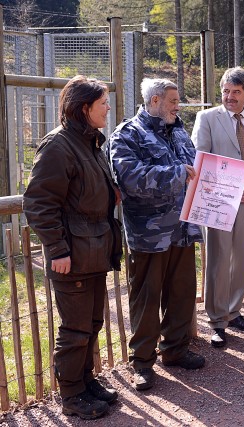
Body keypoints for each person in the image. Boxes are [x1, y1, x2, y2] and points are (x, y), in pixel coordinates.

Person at [23, 75, 122, 419]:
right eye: (103, 104)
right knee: (76, 329)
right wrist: (57, 249)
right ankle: (71, 395)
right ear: (84, 109)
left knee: (93, 323)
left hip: (95, 249)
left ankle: (84, 380)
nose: (108, 108)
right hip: (74, 254)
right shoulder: (58, 146)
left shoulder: (91, 143)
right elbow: (38, 203)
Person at [108, 78, 205, 391]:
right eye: (173, 101)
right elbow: (129, 178)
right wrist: (177, 173)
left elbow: (197, 167)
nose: (178, 106)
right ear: (154, 101)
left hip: (182, 227)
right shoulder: (127, 134)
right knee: (147, 299)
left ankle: (175, 350)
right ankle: (143, 363)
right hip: (149, 234)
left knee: (181, 292)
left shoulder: (177, 130)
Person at [191, 67, 244, 348]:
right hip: (218, 201)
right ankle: (217, 320)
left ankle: (235, 311)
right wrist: (229, 189)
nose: (230, 96)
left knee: (241, 260)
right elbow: (199, 159)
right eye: (225, 91)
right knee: (218, 261)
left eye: (236, 92)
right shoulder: (207, 118)